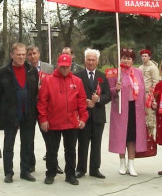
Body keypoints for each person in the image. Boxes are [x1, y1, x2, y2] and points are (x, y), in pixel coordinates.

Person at [37, 53, 88, 185]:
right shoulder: (48, 80)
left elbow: (82, 101)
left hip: (71, 122)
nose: (64, 69)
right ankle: (50, 173)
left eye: (67, 67)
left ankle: (70, 174)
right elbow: (42, 102)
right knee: (52, 150)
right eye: (62, 67)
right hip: (53, 121)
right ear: (58, 66)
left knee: (71, 149)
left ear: (71, 66)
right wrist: (43, 119)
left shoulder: (77, 81)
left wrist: (83, 118)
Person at [0, 43, 39, 183]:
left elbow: (35, 93)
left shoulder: (32, 71)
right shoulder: (2, 72)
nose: (21, 57)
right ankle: (9, 172)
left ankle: (25, 171)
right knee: (9, 144)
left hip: (29, 113)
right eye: (18, 54)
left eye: (23, 55)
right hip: (10, 114)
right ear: (12, 55)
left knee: (27, 144)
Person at [108, 48, 147, 176]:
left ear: (133, 60)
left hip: (135, 109)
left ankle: (131, 164)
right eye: (124, 57)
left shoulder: (138, 72)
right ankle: (122, 163)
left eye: (129, 58)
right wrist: (115, 89)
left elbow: (143, 90)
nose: (126, 60)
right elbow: (108, 92)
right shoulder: (115, 73)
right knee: (121, 136)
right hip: (120, 109)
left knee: (132, 137)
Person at [74, 49, 111, 179]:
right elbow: (73, 94)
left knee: (97, 144)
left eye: (93, 60)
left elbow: (108, 95)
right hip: (83, 116)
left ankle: (95, 169)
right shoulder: (77, 76)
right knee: (83, 144)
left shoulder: (102, 76)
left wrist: (99, 100)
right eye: (88, 59)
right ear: (85, 60)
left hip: (98, 116)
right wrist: (84, 101)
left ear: (97, 61)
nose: (90, 62)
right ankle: (81, 169)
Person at [27, 45, 62, 175]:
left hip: (46, 107)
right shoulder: (26, 69)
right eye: (29, 54)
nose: (32, 56)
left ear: (39, 54)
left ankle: (54, 164)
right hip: (31, 106)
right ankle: (30, 164)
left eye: (34, 53)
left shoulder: (49, 68)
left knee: (50, 138)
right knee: (29, 137)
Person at [139, 49, 159, 135]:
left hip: (149, 94)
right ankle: (143, 133)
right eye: (142, 56)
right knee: (142, 114)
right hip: (140, 93)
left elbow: (156, 82)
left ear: (149, 57)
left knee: (150, 113)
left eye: (145, 56)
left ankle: (150, 134)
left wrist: (153, 96)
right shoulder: (140, 67)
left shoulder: (153, 68)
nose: (144, 58)